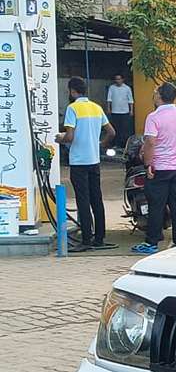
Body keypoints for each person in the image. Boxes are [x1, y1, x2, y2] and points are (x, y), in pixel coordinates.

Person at [56, 77, 117, 253]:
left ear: (72, 91)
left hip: (78, 161)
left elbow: (70, 136)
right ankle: (99, 238)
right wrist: (99, 144)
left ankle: (86, 240)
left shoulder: (72, 108)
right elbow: (111, 132)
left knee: (83, 200)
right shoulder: (96, 107)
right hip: (94, 160)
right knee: (97, 199)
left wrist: (60, 139)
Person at [131, 82, 176, 254]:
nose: (154, 95)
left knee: (156, 205)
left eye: (156, 93)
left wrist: (148, 164)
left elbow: (150, 142)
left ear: (160, 96)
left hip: (160, 167)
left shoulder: (154, 117)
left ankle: (152, 242)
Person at [106, 73, 134, 149]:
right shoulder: (112, 88)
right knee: (115, 128)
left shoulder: (127, 88)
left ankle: (124, 145)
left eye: (119, 79)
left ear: (122, 79)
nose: (117, 81)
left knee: (124, 129)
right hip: (115, 112)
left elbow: (130, 100)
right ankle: (116, 144)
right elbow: (109, 99)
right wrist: (109, 108)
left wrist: (131, 110)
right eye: (116, 79)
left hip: (125, 112)